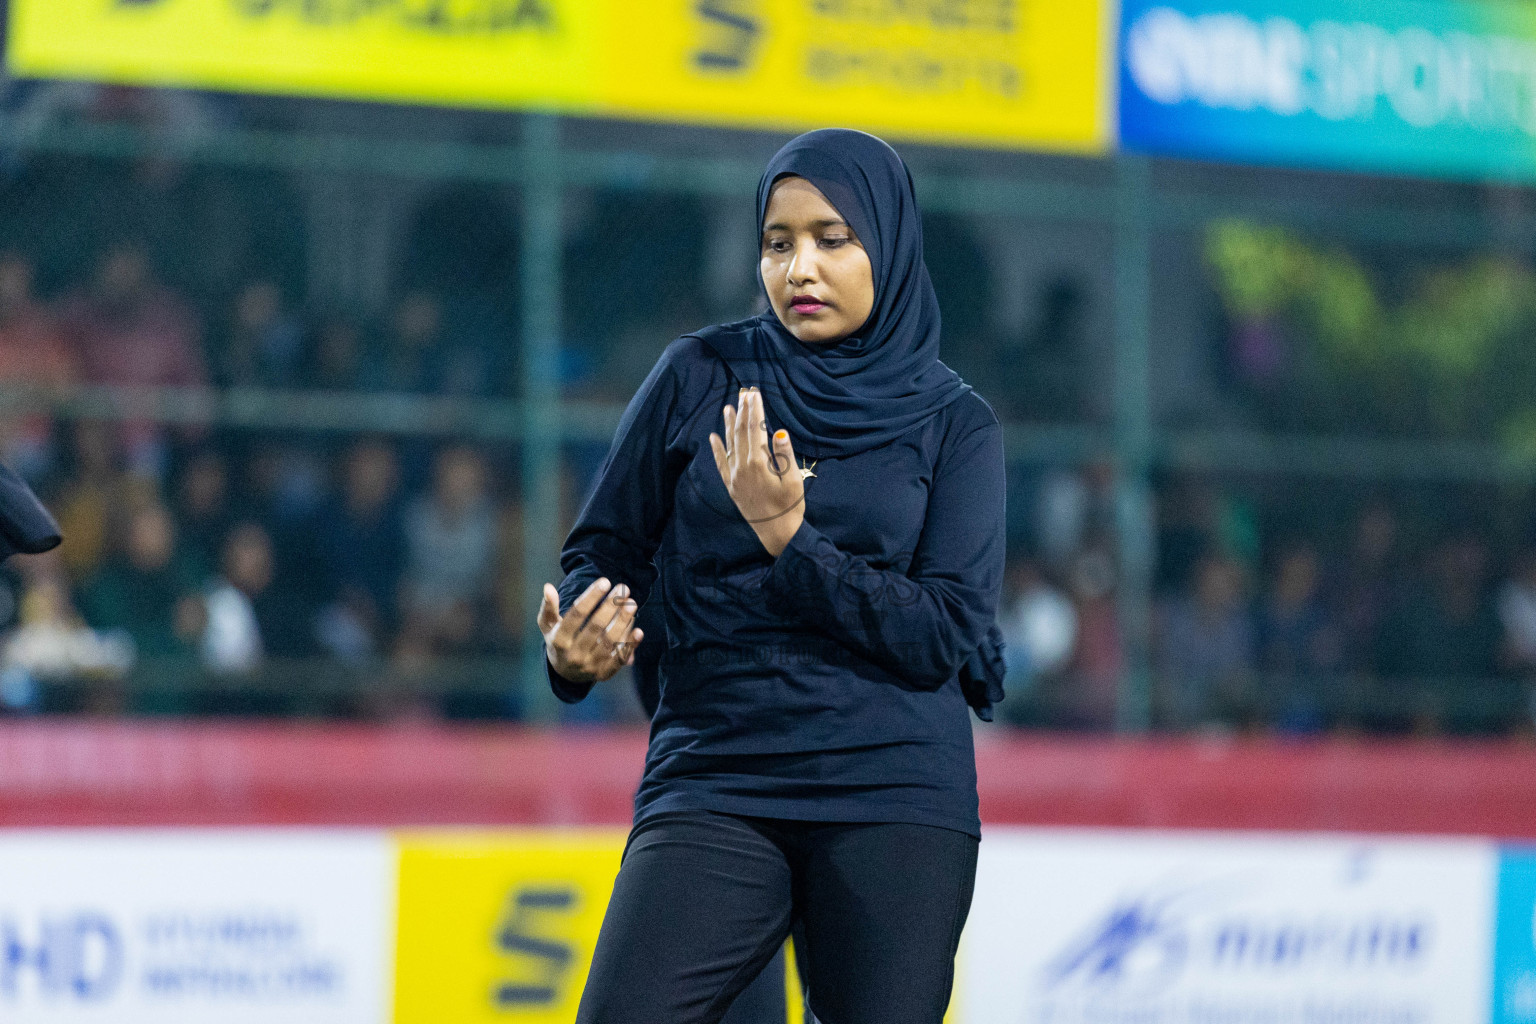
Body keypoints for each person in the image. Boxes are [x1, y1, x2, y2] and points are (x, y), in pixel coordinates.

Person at [537, 129, 1006, 1024]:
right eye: (778, 242)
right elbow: (603, 553)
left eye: (833, 238)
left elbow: (945, 632)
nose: (801, 267)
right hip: (718, 773)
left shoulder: (958, 427)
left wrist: (791, 544)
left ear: (891, 245)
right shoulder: (698, 374)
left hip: (892, 789)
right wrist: (578, 648)